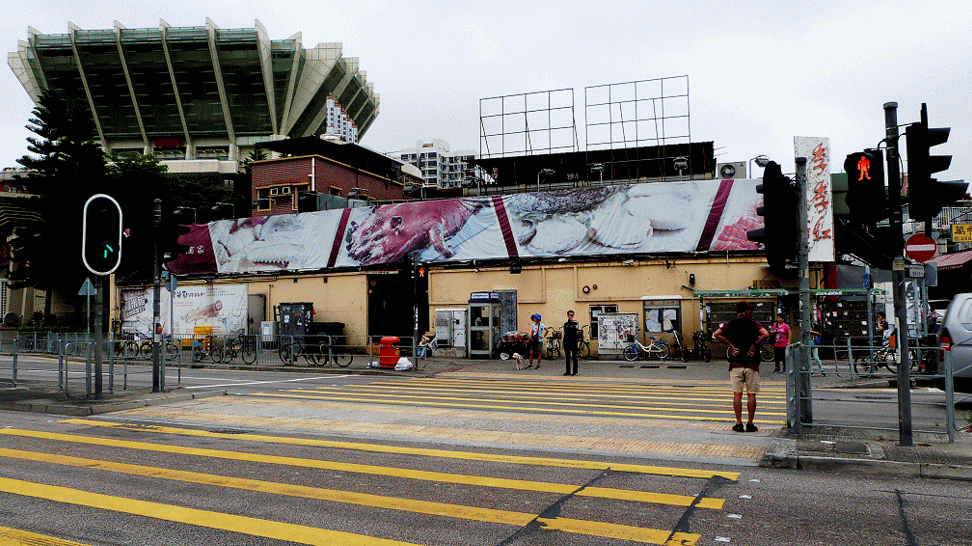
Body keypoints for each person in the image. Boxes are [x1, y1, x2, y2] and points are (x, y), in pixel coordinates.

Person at [713, 301, 770, 433]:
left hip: (736, 363)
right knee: (751, 394)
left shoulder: (730, 324)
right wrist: (755, 345)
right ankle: (750, 424)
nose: (752, 313)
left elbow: (716, 334)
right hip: (752, 363)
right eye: (750, 311)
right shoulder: (755, 324)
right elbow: (766, 334)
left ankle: (738, 423)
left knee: (737, 394)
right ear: (747, 312)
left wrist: (730, 345)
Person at [563, 310, 580, 376]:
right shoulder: (566, 324)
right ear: (568, 315)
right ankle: (568, 371)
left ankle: (575, 371)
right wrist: (564, 343)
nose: (571, 316)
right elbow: (565, 333)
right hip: (567, 341)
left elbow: (576, 329)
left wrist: (572, 322)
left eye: (572, 315)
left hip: (574, 341)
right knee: (567, 357)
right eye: (570, 315)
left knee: (574, 356)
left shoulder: (575, 323)